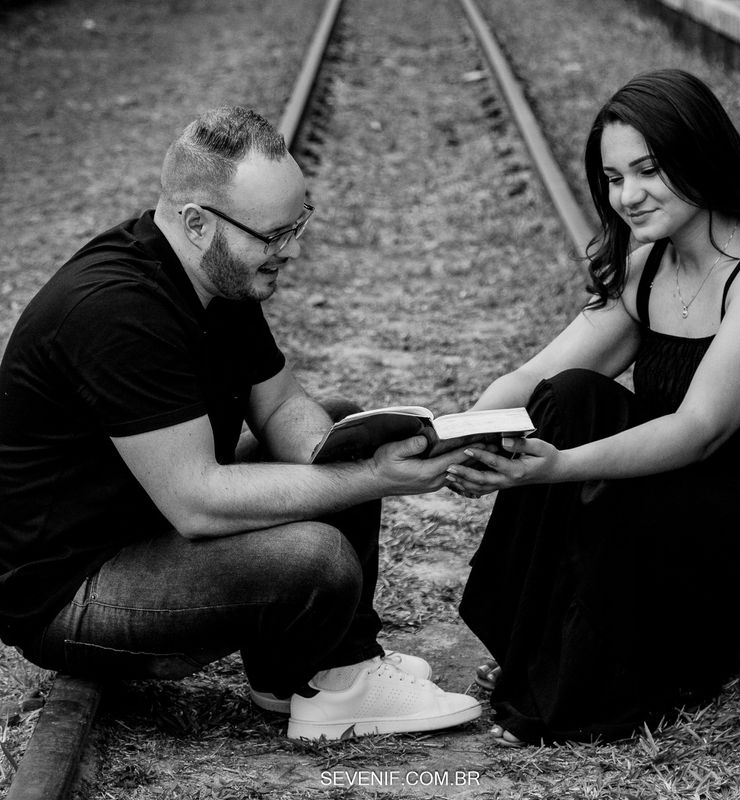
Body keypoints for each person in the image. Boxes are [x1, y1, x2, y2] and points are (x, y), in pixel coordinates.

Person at [0, 106, 482, 741]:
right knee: (315, 557)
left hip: (145, 530)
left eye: (297, 226)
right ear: (198, 222)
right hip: (73, 590)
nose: (294, 250)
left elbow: (282, 406)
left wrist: (347, 449)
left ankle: (301, 674)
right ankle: (337, 692)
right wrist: (369, 478)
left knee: (339, 424)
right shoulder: (119, 313)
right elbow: (199, 503)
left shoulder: (213, 276)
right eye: (275, 236)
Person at [445, 69, 740, 746]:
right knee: (571, 395)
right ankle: (531, 647)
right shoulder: (650, 267)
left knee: (599, 474)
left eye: (648, 170)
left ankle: (590, 690)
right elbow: (537, 374)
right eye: (613, 178)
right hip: (689, 499)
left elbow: (700, 430)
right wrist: (461, 432)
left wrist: (560, 467)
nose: (628, 196)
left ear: (700, 152)